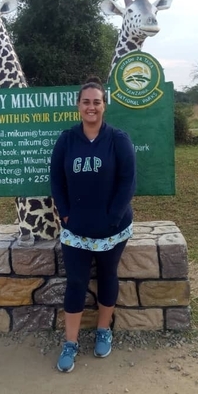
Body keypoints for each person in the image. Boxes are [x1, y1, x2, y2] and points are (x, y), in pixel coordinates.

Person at [50, 76, 136, 373]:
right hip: (76, 229)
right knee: (76, 282)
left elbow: (127, 182)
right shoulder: (67, 140)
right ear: (78, 106)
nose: (91, 107)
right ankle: (70, 342)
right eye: (86, 102)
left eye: (96, 102)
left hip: (113, 228)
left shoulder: (118, 139)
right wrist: (66, 215)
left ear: (104, 106)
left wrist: (112, 217)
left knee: (108, 275)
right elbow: (56, 181)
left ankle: (103, 330)